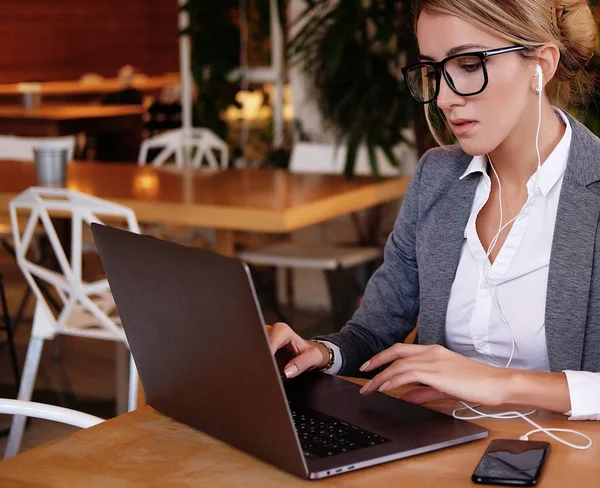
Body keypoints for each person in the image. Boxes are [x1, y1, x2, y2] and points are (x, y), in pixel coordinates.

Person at [268, 0, 600, 421]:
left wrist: (502, 383)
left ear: (541, 64)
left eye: (467, 64)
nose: (443, 97)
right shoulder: (437, 178)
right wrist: (319, 353)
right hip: (439, 452)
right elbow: (371, 333)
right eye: (433, 70)